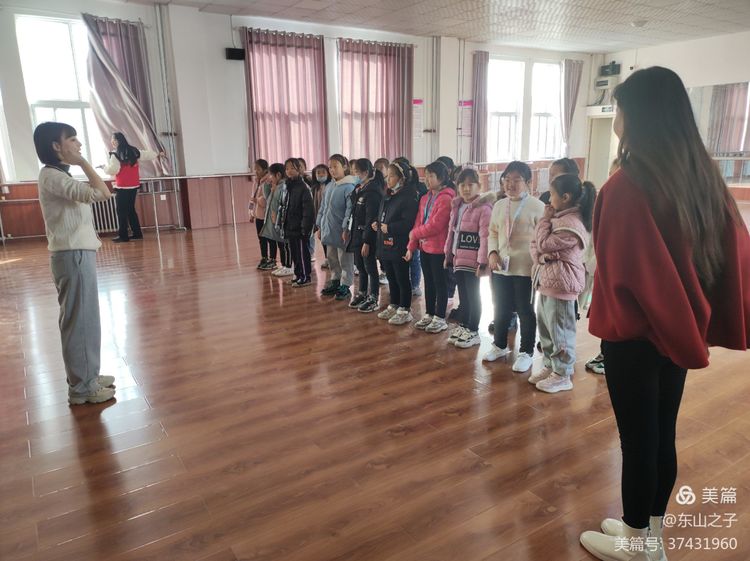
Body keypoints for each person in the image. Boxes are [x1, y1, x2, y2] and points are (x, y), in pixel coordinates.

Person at [578, 67, 750, 561]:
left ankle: (636, 544)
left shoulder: (626, 186)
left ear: (639, 116)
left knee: (637, 441)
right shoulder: (702, 178)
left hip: (635, 337)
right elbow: (734, 251)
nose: (616, 121)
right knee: (660, 433)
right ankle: (649, 534)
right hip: (678, 333)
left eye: (619, 110)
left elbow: (622, 273)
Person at [34, 122, 116, 405]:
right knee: (79, 321)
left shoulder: (58, 175)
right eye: (72, 139)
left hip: (77, 254)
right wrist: (82, 162)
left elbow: (97, 192)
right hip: (72, 255)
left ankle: (87, 375)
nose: (78, 144)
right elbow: (102, 193)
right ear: (56, 146)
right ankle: (82, 387)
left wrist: (79, 162)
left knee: (86, 319)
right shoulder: (52, 176)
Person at [528, 174, 596, 393]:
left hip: (562, 285)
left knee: (561, 332)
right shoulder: (557, 218)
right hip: (547, 281)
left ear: (565, 197)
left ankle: (563, 373)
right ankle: (550, 365)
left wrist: (544, 221)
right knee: (546, 328)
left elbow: (543, 243)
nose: (549, 200)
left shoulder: (571, 223)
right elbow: (535, 244)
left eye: (552, 194)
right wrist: (540, 257)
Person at [484, 161, 545, 372]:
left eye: (516, 180)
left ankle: (526, 352)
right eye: (506, 179)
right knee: (500, 307)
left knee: (525, 311)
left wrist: (538, 263)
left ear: (527, 182)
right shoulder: (500, 205)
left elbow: (542, 238)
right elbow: (492, 232)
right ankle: (499, 345)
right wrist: (492, 252)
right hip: (501, 267)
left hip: (525, 270)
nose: (510, 184)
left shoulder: (537, 206)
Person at [444, 167, 495, 348]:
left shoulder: (484, 208)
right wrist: (448, 253)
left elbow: (485, 237)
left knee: (473, 295)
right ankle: (465, 325)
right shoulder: (457, 206)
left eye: (470, 184)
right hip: (458, 258)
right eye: (462, 185)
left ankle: (473, 330)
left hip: (473, 261)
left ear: (479, 186)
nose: (466, 189)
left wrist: (482, 262)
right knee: (464, 296)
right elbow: (452, 232)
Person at [407, 161, 455, 334]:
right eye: (425, 176)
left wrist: (414, 233)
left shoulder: (447, 198)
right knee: (428, 282)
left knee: (440, 283)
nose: (427, 179)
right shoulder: (425, 198)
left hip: (439, 249)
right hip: (425, 247)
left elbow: (436, 225)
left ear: (441, 178)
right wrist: (412, 244)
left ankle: (440, 317)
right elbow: (419, 221)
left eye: (431, 176)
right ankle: (429, 313)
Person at [584, 158, 621, 375]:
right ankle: (605, 352)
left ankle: (608, 356)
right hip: (602, 272)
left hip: (615, 276)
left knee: (616, 318)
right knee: (607, 318)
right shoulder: (607, 201)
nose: (612, 179)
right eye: (611, 174)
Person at [375, 161, 420, 325]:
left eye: (392, 176)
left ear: (402, 178)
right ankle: (394, 304)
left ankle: (405, 309)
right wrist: (377, 224)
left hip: (399, 244)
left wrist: (390, 228)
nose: (388, 179)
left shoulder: (408, 197)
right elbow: (383, 215)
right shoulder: (388, 195)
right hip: (385, 244)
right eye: (387, 176)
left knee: (402, 277)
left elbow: (408, 223)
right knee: (391, 277)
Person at [101, 132, 163, 243]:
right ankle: (137, 234)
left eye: (113, 140)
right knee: (131, 210)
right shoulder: (133, 151)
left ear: (117, 141)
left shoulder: (115, 154)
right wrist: (158, 154)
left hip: (122, 187)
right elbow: (147, 154)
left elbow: (113, 170)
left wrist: (104, 168)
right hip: (134, 185)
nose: (112, 142)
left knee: (121, 211)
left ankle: (123, 236)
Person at [347, 159, 385, 313]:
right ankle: (362, 293)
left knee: (370, 268)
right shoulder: (360, 189)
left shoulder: (373, 192)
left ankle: (373, 297)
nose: (354, 174)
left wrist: (367, 241)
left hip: (367, 236)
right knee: (360, 266)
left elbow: (371, 219)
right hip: (357, 234)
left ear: (365, 172)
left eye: (356, 172)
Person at [318, 155, 356, 300]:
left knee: (345, 259)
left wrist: (346, 229)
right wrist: (320, 226)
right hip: (329, 229)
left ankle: (345, 285)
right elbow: (323, 207)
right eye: (330, 167)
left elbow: (349, 211)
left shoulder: (349, 187)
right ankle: (335, 280)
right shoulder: (329, 186)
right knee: (332, 257)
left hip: (342, 232)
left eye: (335, 166)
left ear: (345, 167)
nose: (332, 170)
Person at [282, 158, 315, 287]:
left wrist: (305, 227)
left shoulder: (304, 187)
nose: (289, 171)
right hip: (290, 226)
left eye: (292, 168)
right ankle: (298, 275)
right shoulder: (288, 186)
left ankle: (306, 277)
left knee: (302, 253)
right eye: (287, 168)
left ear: (299, 169)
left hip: (300, 228)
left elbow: (308, 210)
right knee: (295, 254)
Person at [261, 163, 293, 276]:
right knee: (281, 244)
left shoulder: (283, 187)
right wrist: (266, 184)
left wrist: (279, 218)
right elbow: (267, 197)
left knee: (285, 245)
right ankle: (284, 265)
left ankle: (289, 266)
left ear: (278, 175)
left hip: (281, 221)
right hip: (276, 222)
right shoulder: (277, 186)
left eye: (271, 175)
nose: (269, 177)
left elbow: (284, 205)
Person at [249, 159, 273, 270]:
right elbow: (252, 197)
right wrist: (251, 213)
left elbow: (267, 199)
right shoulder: (256, 181)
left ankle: (272, 259)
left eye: (258, 169)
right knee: (261, 238)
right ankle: (264, 257)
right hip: (258, 215)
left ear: (265, 170)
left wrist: (257, 201)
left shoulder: (268, 181)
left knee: (270, 238)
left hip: (266, 216)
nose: (256, 171)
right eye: (255, 169)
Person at [311, 164, 333, 268]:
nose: (320, 175)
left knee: (329, 239)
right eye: (318, 173)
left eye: (323, 172)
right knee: (322, 239)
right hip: (318, 217)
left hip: (327, 217)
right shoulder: (315, 188)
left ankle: (332, 260)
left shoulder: (330, 186)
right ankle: (327, 259)